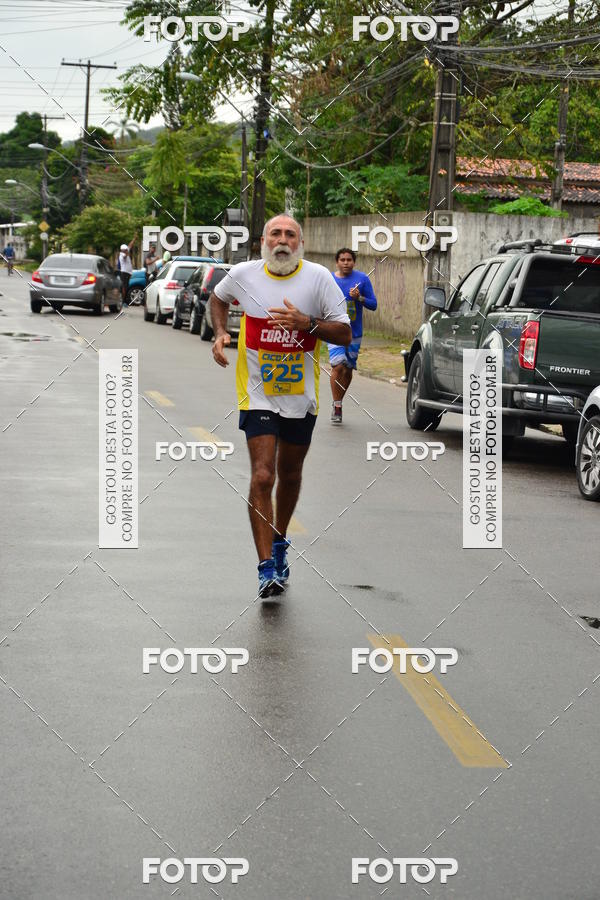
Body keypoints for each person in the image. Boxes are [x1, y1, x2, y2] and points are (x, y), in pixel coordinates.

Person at [210, 214, 351, 598]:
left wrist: (307, 323)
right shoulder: (244, 274)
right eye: (276, 233)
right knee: (262, 476)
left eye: (290, 234)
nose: (283, 240)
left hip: (300, 396)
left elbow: (344, 331)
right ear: (263, 241)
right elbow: (218, 297)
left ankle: (280, 541)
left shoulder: (318, 278)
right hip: (257, 393)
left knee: (289, 476)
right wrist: (221, 332)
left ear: (300, 243)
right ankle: (265, 568)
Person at [328, 248, 377, 425]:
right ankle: (337, 405)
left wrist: (360, 298)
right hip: (333, 330)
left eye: (349, 260)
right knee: (338, 366)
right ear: (337, 262)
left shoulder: (362, 279)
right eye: (342, 260)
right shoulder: (329, 280)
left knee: (347, 369)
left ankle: (340, 400)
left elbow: (374, 305)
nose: (346, 262)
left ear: (354, 262)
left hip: (354, 333)